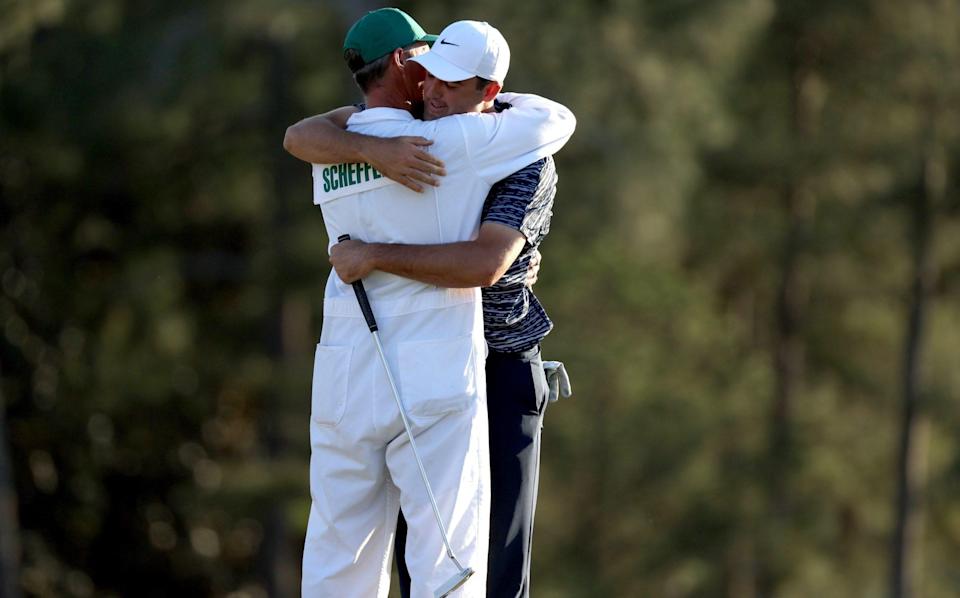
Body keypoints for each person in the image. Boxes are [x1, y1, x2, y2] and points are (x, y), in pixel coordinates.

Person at [285, 10, 575, 598]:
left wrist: (372, 252)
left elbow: (486, 263)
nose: (433, 90)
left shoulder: (519, 154)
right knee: (436, 559)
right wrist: (370, 151)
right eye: (428, 72)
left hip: (500, 363)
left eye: (448, 80)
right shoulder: (418, 125)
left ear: (488, 91)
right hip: (423, 364)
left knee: (490, 562)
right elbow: (301, 135)